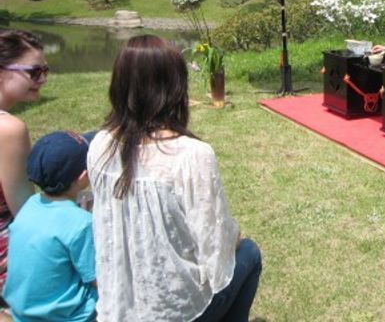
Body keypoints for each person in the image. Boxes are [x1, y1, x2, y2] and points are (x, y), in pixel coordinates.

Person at [87, 35, 262, 322]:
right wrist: (236, 235)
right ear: (176, 87)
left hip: (116, 306)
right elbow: (216, 253)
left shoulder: (100, 145)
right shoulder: (191, 154)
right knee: (250, 254)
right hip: (175, 311)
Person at [3, 132, 97, 322]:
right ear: (83, 176)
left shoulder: (31, 204)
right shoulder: (80, 223)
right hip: (65, 317)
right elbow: (98, 278)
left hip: (22, 312)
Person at [0, 30, 45, 301]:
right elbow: (26, 211)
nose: (44, 79)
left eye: (46, 70)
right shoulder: (9, 129)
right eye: (34, 71)